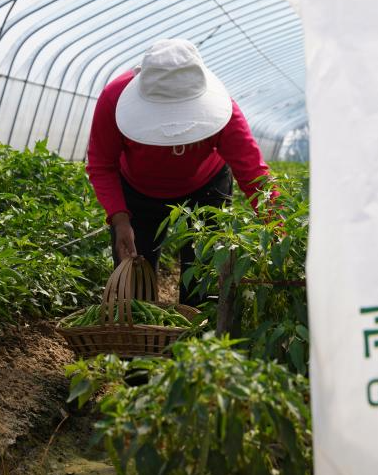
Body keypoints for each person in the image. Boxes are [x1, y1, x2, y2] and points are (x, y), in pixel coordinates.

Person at [86, 38, 272, 307]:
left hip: (206, 188)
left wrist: (278, 228)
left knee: (203, 279)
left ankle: (199, 341)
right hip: (137, 192)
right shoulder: (114, 98)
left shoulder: (223, 109)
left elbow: (253, 172)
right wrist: (119, 218)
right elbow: (102, 164)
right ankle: (137, 344)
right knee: (135, 280)